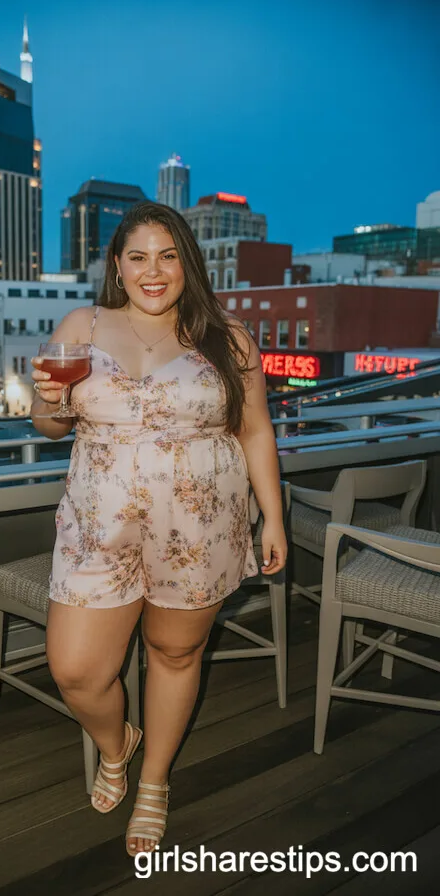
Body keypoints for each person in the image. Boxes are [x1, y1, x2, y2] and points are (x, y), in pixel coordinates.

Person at [30, 201, 286, 856]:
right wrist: (50, 402)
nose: (153, 270)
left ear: (187, 265)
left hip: (199, 528)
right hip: (98, 528)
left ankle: (152, 781)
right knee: (77, 670)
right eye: (138, 255)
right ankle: (117, 744)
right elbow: (49, 425)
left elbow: (254, 430)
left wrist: (273, 517)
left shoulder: (226, 340)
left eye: (168, 255)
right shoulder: (82, 325)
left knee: (175, 655)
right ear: (117, 264)